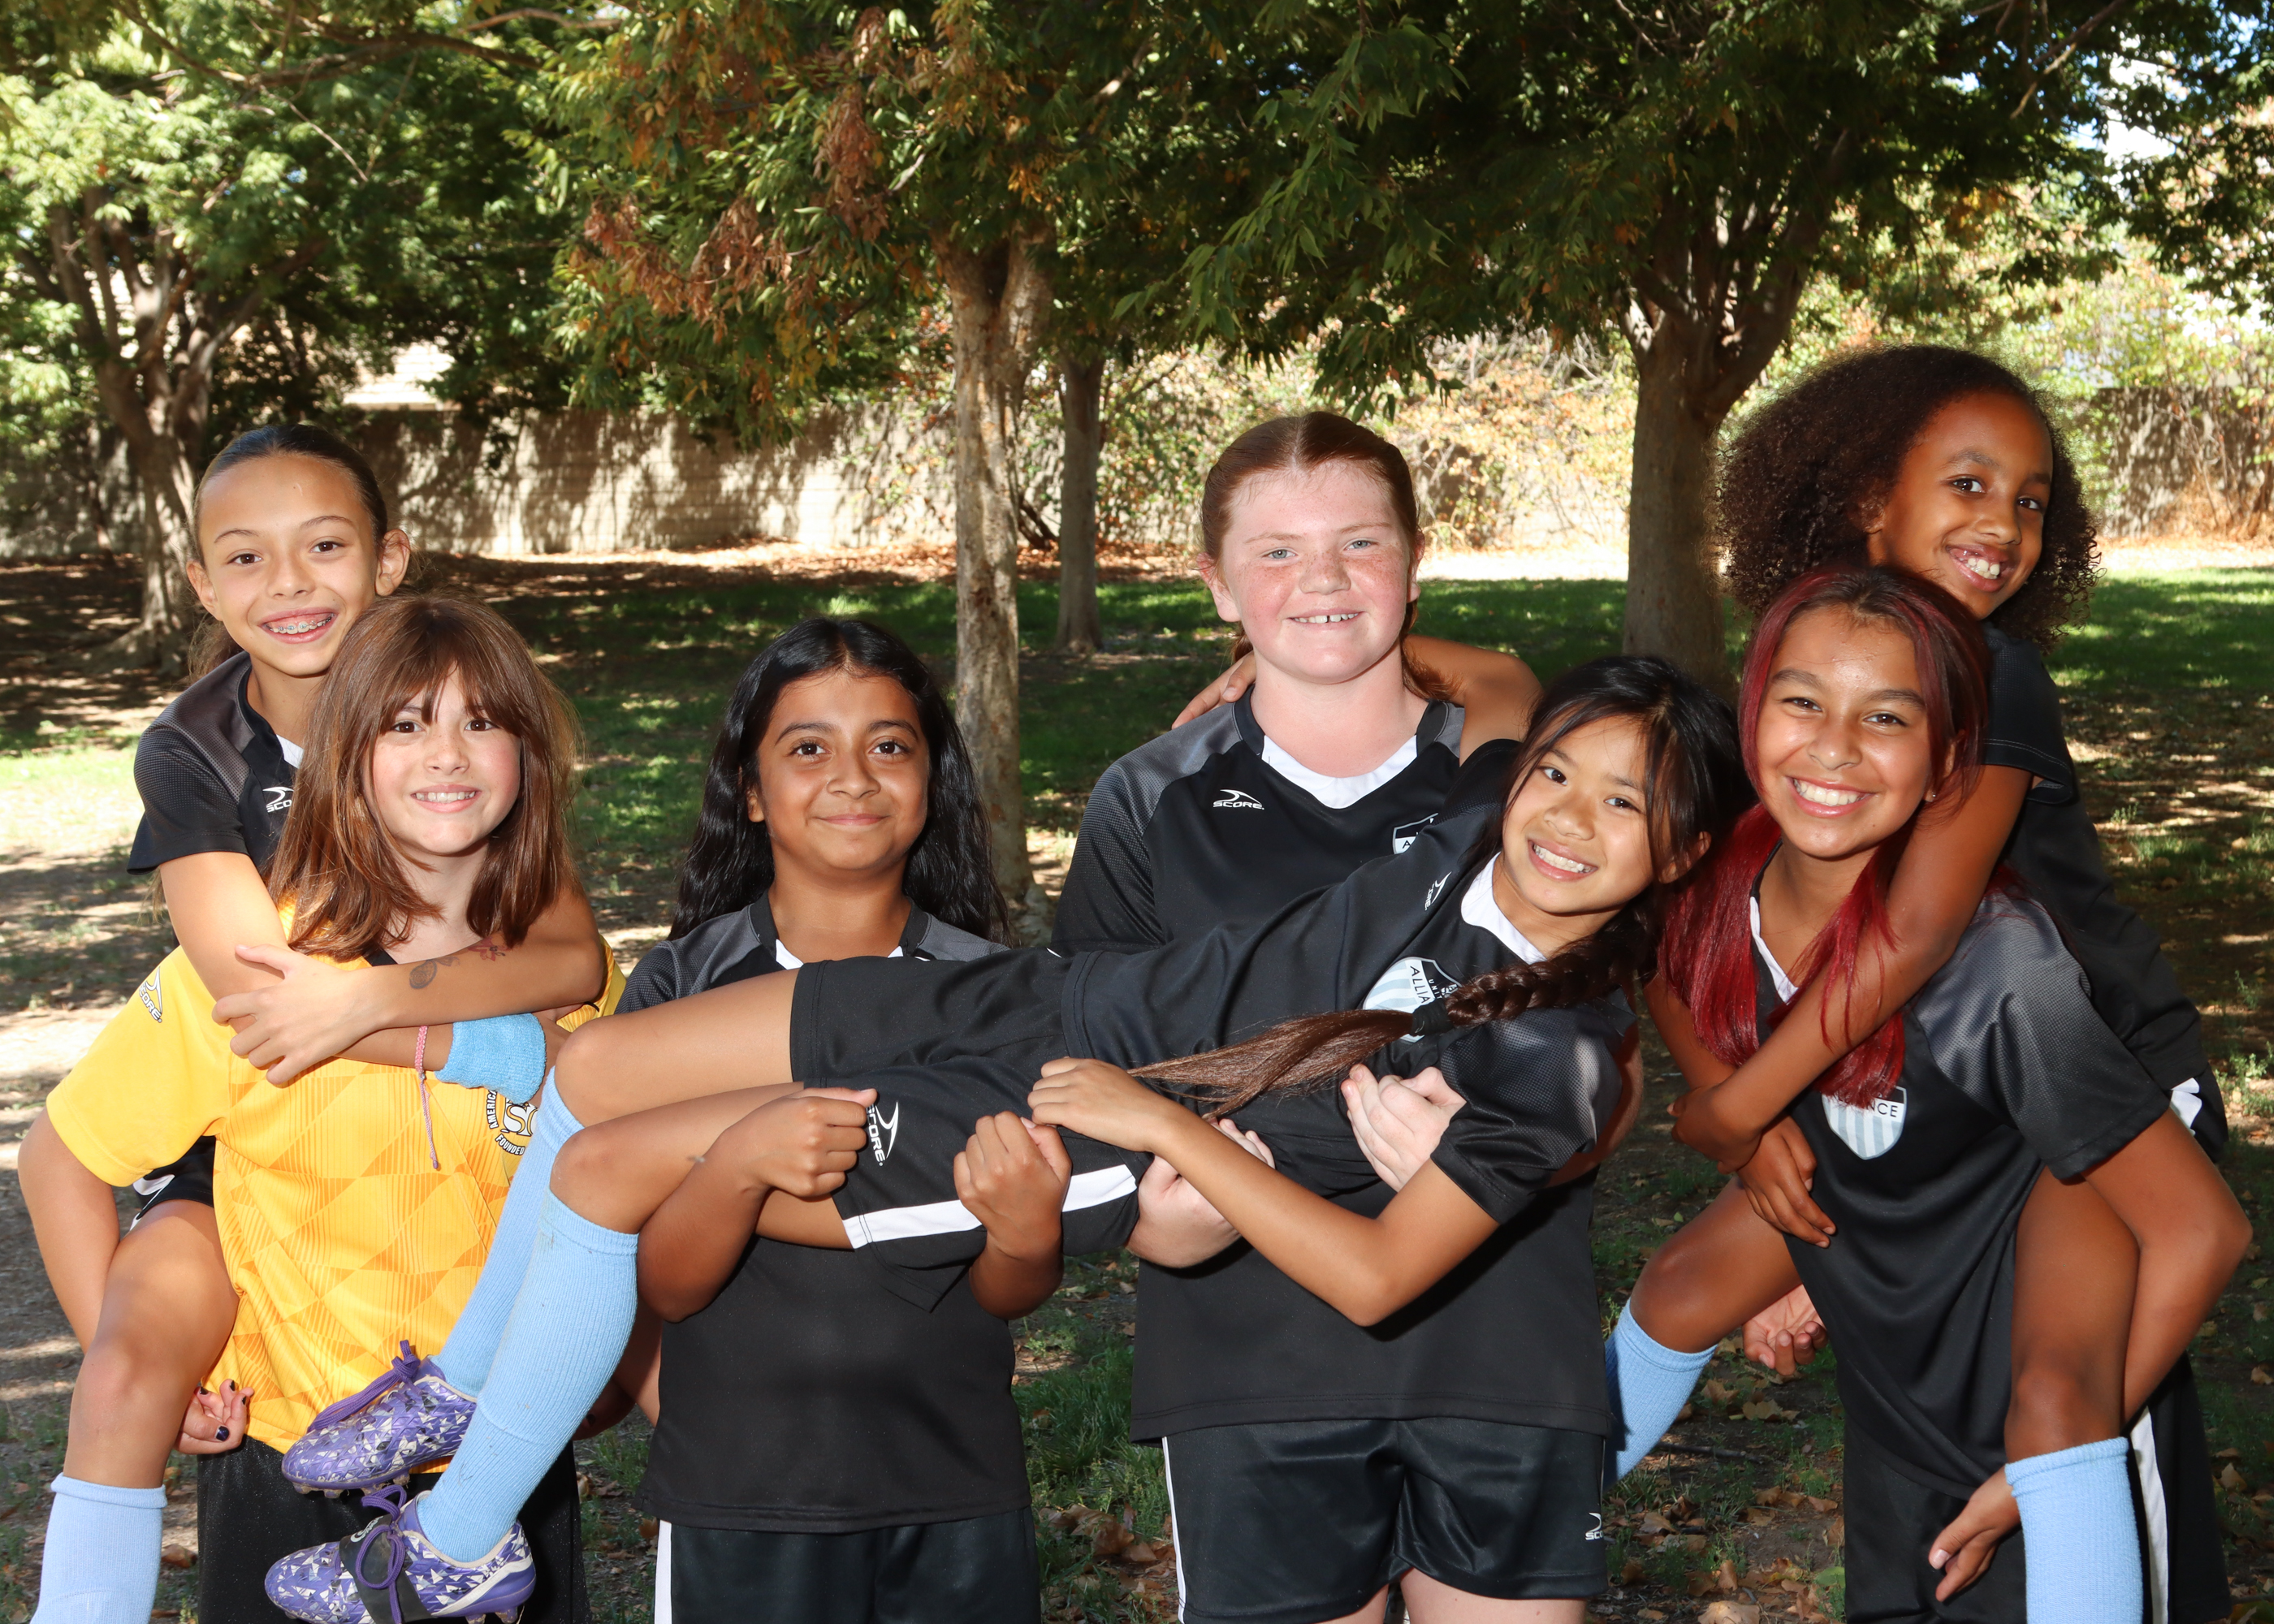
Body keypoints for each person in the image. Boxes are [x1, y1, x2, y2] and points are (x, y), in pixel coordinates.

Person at [267, 652, 1752, 1624]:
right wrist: (1283, 661)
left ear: (1681, 851)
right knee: (595, 1069)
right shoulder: (1473, 826)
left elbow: (1374, 1279)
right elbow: (1499, 682)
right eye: (1560, 773)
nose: (1570, 815)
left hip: (1060, 1119)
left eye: (1627, 805)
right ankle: (465, 1385)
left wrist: (1156, 1124)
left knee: (604, 1170)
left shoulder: (1557, 1056)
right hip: (1026, 996)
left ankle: (458, 1545)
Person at [1632, 348, 2233, 1620]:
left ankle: (2072, 1516)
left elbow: (1914, 933)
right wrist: (1740, 1112)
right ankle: (1486, 1548)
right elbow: (1690, 930)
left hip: (2099, 1078)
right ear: (1868, 495)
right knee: (1686, 1287)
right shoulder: (1842, 647)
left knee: (2057, 1401)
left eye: (2032, 500)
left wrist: (1739, 1108)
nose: (2004, 522)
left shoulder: (1989, 671)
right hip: (1928, 1070)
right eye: (1969, 483)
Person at [24, 596, 623, 1624]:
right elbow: (61, 1157)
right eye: (405, 723)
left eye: (482, 721)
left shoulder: (578, 979)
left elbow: (620, 1214)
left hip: (504, 1473)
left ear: (528, 753)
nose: (447, 752)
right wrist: (120, 1356)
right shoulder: (258, 968)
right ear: (345, 756)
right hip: (286, 1465)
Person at [611, 616, 1060, 1622]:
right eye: (808, 747)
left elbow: (1007, 1288)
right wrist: (735, 1164)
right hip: (739, 1492)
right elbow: (662, 1282)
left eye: (889, 745)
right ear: (751, 789)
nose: (853, 777)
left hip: (955, 1484)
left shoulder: (995, 994)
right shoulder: (681, 992)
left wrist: (1028, 1232)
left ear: (933, 778)